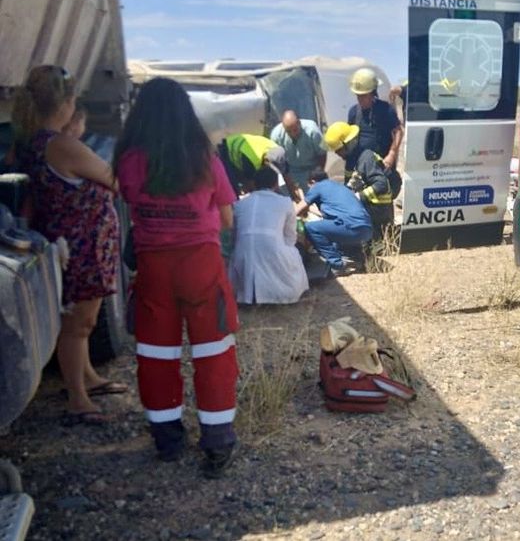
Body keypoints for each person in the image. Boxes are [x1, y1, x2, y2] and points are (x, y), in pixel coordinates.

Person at [114, 77, 239, 478]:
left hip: (153, 267)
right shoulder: (203, 155)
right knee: (213, 352)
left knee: (156, 354)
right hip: (201, 264)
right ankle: (217, 443)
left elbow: (130, 201)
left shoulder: (129, 159)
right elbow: (225, 217)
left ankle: (167, 439)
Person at [11, 65, 123, 425]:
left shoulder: (36, 143)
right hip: (81, 246)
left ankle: (88, 377)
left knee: (82, 320)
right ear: (64, 105)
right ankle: (77, 397)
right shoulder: (63, 145)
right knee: (78, 323)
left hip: (74, 242)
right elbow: (112, 179)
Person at [229, 165, 309, 304]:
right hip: (273, 250)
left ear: (254, 183)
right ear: (276, 183)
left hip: (242, 254)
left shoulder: (241, 204)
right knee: (294, 253)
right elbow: (290, 237)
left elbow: (235, 236)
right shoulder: (284, 202)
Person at [324, 122, 396, 247]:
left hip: (379, 209)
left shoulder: (366, 158)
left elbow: (381, 184)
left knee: (373, 246)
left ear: (348, 144)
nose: (336, 153)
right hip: (368, 207)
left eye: (338, 150)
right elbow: (349, 185)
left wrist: (358, 197)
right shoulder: (351, 160)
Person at [295, 169, 372, 275]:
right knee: (330, 228)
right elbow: (326, 213)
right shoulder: (340, 187)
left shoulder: (318, 186)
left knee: (310, 228)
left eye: (309, 186)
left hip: (349, 228)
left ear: (312, 182)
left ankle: (337, 265)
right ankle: (355, 259)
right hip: (366, 230)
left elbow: (298, 210)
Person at [347, 67, 403, 175]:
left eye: (364, 96)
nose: (360, 99)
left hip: (382, 167)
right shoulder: (353, 112)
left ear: (373, 93)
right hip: (361, 168)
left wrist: (391, 154)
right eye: (358, 96)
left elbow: (399, 131)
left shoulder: (386, 110)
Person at [218, 132, 299, 200]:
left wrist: (295, 199)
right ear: (266, 161)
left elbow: (288, 179)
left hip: (250, 148)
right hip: (229, 150)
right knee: (233, 191)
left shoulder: (279, 153)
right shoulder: (251, 160)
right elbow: (251, 187)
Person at [269, 110, 326, 192]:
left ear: (299, 123)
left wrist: (317, 174)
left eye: (295, 130)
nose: (293, 134)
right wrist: (290, 185)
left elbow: (322, 154)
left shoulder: (313, 131)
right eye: (288, 131)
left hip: (312, 169)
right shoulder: (276, 135)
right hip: (290, 172)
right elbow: (279, 162)